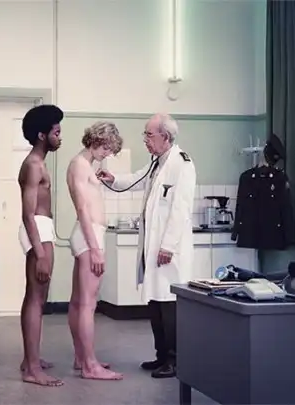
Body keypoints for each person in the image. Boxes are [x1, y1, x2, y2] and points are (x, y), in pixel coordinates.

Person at [98, 113, 196, 379]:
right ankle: (161, 356)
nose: (145, 139)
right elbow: (137, 179)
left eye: (149, 135)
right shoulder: (158, 162)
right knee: (154, 302)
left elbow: (181, 209)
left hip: (168, 250)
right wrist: (112, 179)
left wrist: (168, 246)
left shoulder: (182, 164)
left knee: (169, 304)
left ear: (166, 136)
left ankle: (174, 361)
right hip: (152, 248)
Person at [66, 121, 124, 380]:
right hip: (89, 235)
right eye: (107, 148)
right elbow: (82, 208)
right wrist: (95, 248)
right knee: (88, 305)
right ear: (97, 140)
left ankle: (82, 358)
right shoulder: (80, 164)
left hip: (86, 233)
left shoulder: (83, 164)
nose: (108, 153)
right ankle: (90, 366)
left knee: (79, 302)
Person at [17, 104, 64, 387]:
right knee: (36, 299)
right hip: (37, 229)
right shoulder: (33, 165)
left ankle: (30, 360)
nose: (60, 137)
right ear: (42, 135)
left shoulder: (39, 163)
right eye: (56, 132)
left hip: (41, 228)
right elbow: (27, 214)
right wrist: (41, 252)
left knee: (35, 298)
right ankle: (33, 370)